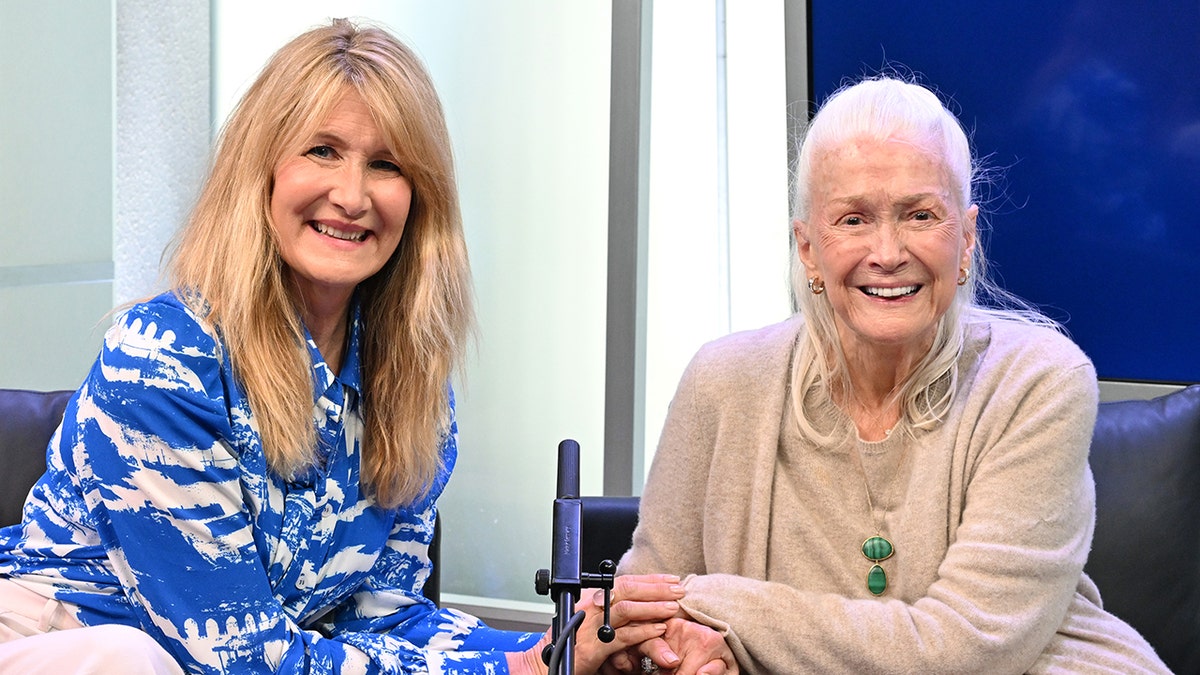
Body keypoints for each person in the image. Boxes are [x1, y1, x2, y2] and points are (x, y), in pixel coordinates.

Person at [0, 19, 689, 675]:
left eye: (386, 164)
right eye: (321, 150)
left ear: (420, 198)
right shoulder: (163, 358)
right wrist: (514, 667)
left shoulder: (414, 390)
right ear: (262, 171)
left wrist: (564, 642)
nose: (352, 195)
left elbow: (387, 621)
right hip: (63, 640)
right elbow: (240, 659)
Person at [617, 76, 1172, 673]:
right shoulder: (721, 382)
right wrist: (688, 655)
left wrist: (715, 605)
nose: (887, 252)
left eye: (920, 215)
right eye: (853, 219)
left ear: (965, 239)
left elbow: (961, 651)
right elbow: (640, 619)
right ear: (807, 249)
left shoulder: (1039, 382)